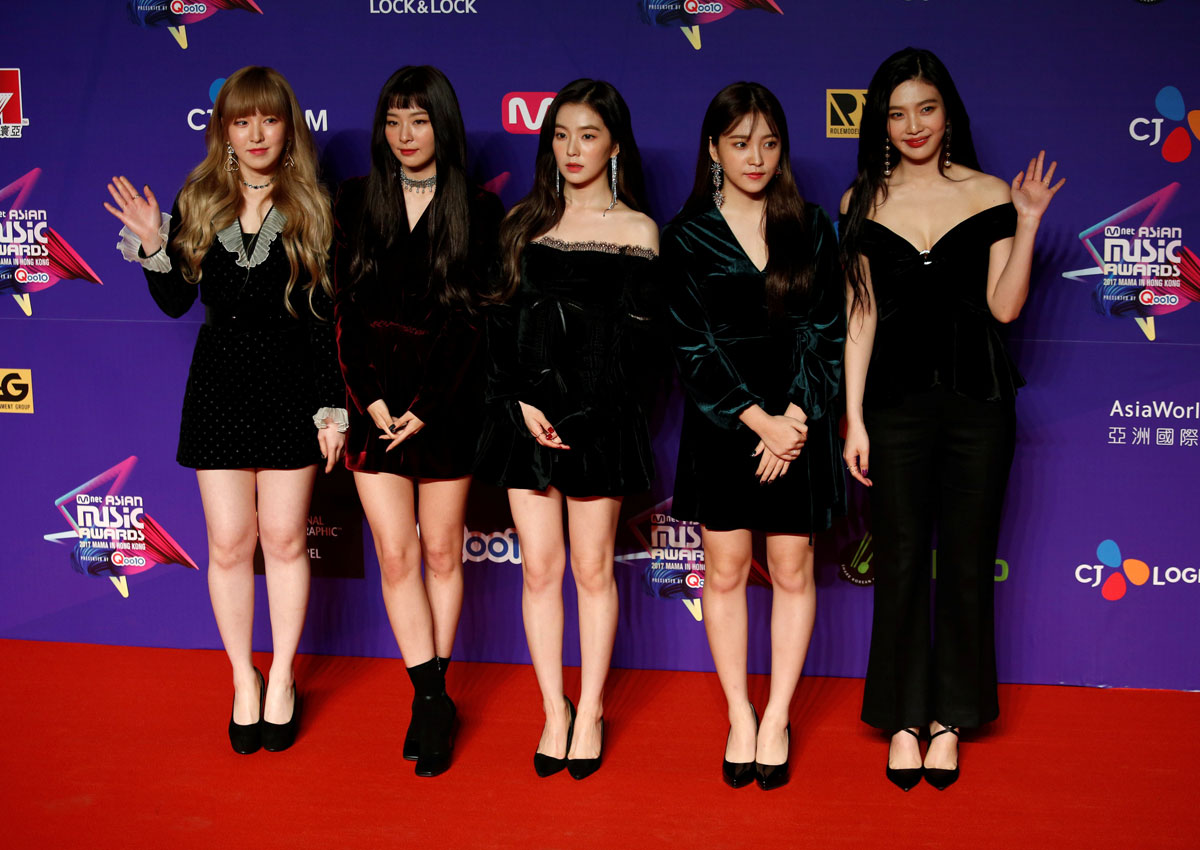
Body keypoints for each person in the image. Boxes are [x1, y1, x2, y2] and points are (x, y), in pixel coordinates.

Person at [839, 47, 1064, 790]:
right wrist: (853, 419)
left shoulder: (991, 192)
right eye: (897, 113)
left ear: (947, 114)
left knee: (967, 562)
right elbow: (860, 317)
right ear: (881, 123)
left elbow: (1005, 307)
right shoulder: (860, 200)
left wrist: (1028, 221)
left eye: (926, 109)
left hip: (978, 406)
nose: (913, 125)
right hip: (893, 409)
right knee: (901, 560)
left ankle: (951, 720)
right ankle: (904, 718)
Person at [103, 66, 346, 754]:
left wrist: (332, 407)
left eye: (269, 119)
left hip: (291, 390)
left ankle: (283, 678)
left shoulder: (314, 206)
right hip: (218, 391)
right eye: (242, 121)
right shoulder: (200, 198)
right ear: (225, 131)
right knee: (230, 544)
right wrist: (154, 243)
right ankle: (244, 676)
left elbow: (323, 320)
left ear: (288, 127)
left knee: (286, 540)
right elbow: (177, 303)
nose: (257, 133)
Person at [475, 79, 659, 780]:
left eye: (588, 135)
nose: (573, 149)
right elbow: (498, 330)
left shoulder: (638, 231)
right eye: (560, 135)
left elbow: (640, 354)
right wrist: (522, 405)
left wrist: (584, 416)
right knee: (540, 569)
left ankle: (592, 711)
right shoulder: (521, 223)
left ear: (614, 145)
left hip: (600, 424)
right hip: (526, 421)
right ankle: (554, 707)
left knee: (591, 569)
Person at [663, 82, 845, 791]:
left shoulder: (812, 225)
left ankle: (777, 718)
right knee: (727, 570)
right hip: (725, 426)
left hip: (800, 421)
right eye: (740, 143)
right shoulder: (687, 236)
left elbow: (827, 331)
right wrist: (759, 421)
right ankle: (740, 713)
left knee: (793, 570)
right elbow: (692, 347)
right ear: (714, 149)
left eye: (769, 143)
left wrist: (793, 420)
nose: (756, 157)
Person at [331, 65, 503, 777]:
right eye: (393, 120)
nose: (405, 134)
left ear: (443, 125)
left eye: (420, 119)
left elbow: (474, 321)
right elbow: (343, 308)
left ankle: (433, 693)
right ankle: (430, 698)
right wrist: (370, 400)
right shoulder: (355, 199)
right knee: (395, 555)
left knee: (440, 553)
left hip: (447, 408)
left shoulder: (478, 210)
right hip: (372, 407)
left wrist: (427, 407)